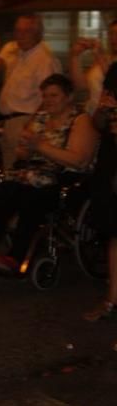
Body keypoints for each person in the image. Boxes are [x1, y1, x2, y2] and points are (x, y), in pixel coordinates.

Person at [0, 74, 97, 274]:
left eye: (54, 95)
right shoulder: (42, 117)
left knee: (32, 195)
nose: (48, 101)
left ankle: (16, 255)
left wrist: (40, 146)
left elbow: (78, 160)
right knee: (8, 187)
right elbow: (24, 151)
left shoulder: (80, 120)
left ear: (69, 97)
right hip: (36, 171)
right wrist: (25, 149)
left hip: (66, 177)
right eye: (45, 96)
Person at [0, 14, 61, 170]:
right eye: (17, 31)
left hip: (26, 121)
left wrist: (32, 126)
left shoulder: (44, 60)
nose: (20, 35)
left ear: (37, 34)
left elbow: (49, 99)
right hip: (10, 121)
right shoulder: (17, 54)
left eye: (26, 31)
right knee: (10, 170)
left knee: (21, 171)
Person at [83, 63, 117, 322]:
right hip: (111, 157)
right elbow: (98, 122)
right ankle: (112, 299)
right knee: (113, 231)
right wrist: (104, 112)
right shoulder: (114, 70)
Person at [69, 19, 117, 115]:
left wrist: (99, 56)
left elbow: (113, 82)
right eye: (111, 33)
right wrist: (75, 56)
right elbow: (81, 85)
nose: (114, 38)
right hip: (93, 113)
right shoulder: (107, 58)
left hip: (111, 118)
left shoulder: (103, 59)